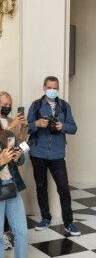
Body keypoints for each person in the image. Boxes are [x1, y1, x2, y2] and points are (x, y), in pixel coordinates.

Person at [27, 76, 80, 235]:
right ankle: (45, 218)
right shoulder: (36, 105)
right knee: (41, 187)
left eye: (55, 88)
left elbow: (74, 128)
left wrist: (63, 126)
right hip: (37, 154)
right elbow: (26, 128)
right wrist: (37, 124)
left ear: (58, 89)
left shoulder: (64, 106)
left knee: (63, 188)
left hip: (57, 155)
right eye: (49, 87)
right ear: (44, 88)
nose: (52, 90)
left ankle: (69, 222)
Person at [0, 91, 28, 250]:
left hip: (12, 184)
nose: (8, 107)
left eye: (9, 105)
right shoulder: (8, 127)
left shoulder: (9, 130)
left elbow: (17, 146)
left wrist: (17, 157)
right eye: (5, 105)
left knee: (22, 233)